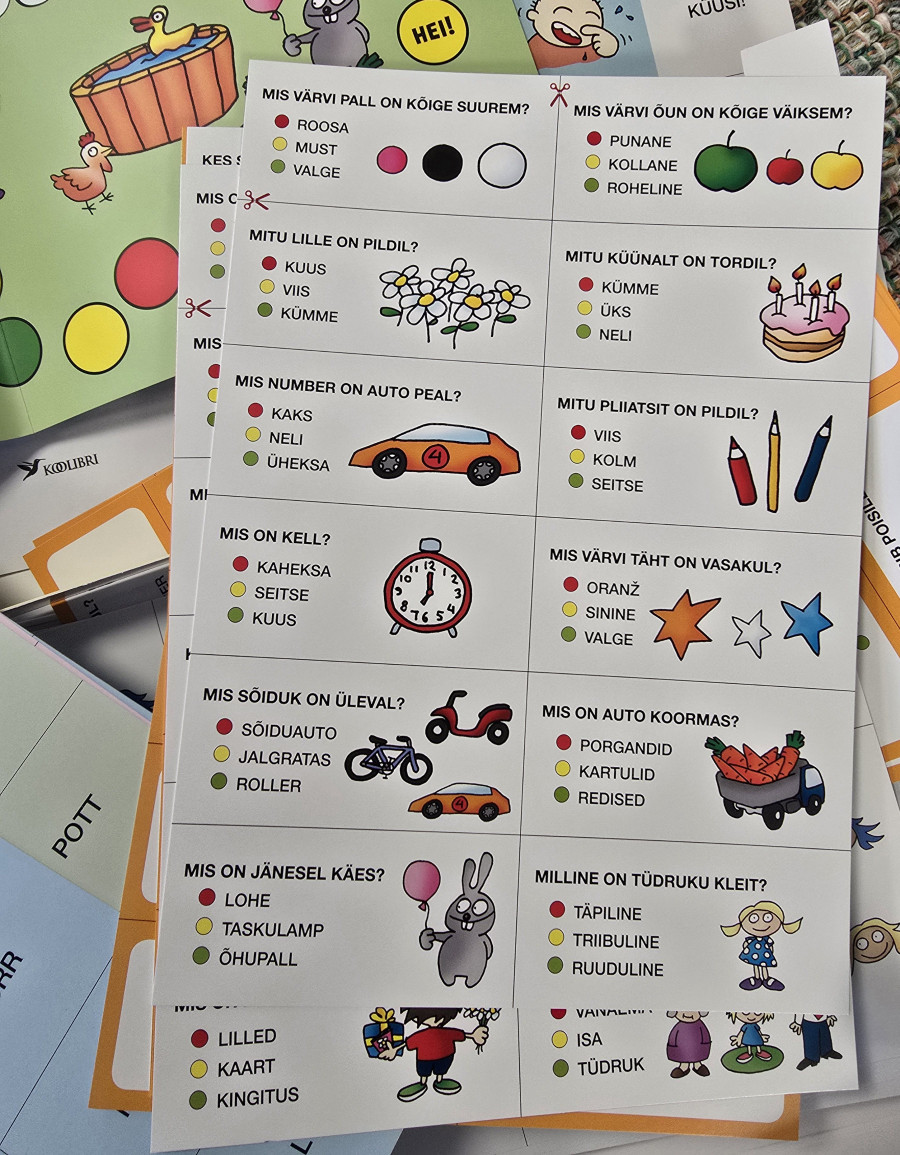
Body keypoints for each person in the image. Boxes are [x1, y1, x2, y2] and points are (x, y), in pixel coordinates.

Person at [377, 1008, 488, 1102]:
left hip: (445, 1056)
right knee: (424, 1071)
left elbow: (459, 1034)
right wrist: (394, 1050)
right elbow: (408, 1043)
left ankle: (439, 1081)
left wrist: (474, 1035)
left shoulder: (446, 1032)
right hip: (425, 1059)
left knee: (441, 1069)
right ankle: (422, 1083)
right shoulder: (421, 1035)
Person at [665, 1011, 711, 1078]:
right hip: (682, 1049)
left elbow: (705, 1036)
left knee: (697, 1056)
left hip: (697, 1048)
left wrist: (705, 1045)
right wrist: (672, 1048)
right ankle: (684, 1067)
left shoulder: (700, 1026)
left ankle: (697, 1065)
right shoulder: (679, 1027)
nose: (688, 1014)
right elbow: (673, 1038)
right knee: (683, 1057)